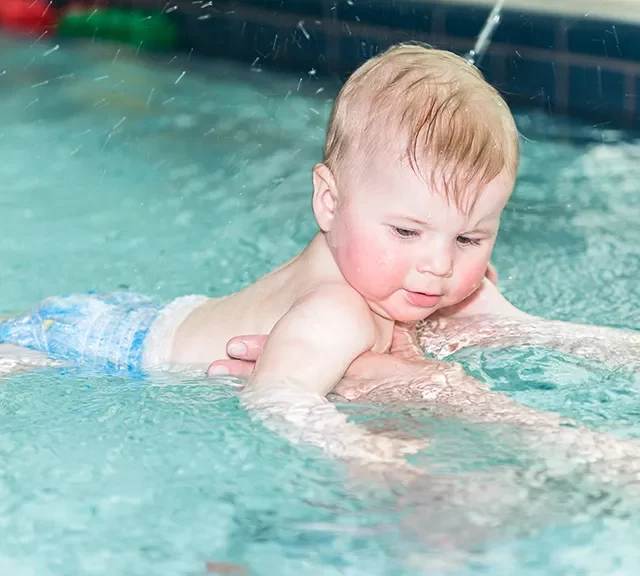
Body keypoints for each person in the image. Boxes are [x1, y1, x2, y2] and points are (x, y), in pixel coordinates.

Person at [1, 43, 636, 468]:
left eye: (469, 238)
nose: (440, 266)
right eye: (408, 232)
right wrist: (354, 447)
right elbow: (276, 395)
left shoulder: (385, 266)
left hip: (155, 314)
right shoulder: (336, 310)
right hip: (97, 350)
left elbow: (521, 328)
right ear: (329, 202)